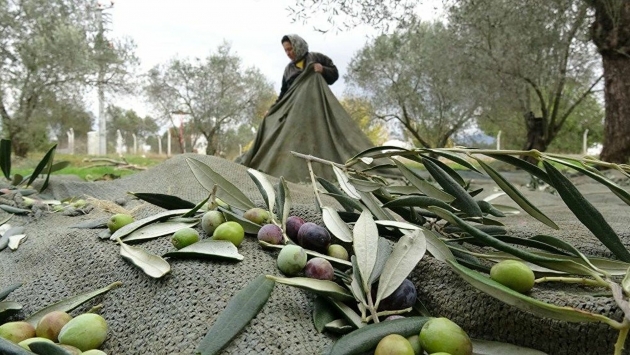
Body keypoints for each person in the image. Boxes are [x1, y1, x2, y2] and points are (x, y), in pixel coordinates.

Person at [273, 34, 339, 105]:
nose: (287, 53)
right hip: (298, 108)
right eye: (285, 50)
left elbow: (335, 74)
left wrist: (323, 70)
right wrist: (272, 109)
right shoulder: (288, 70)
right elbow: (283, 94)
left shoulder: (316, 58)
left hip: (319, 105)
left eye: (290, 49)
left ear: (297, 46)